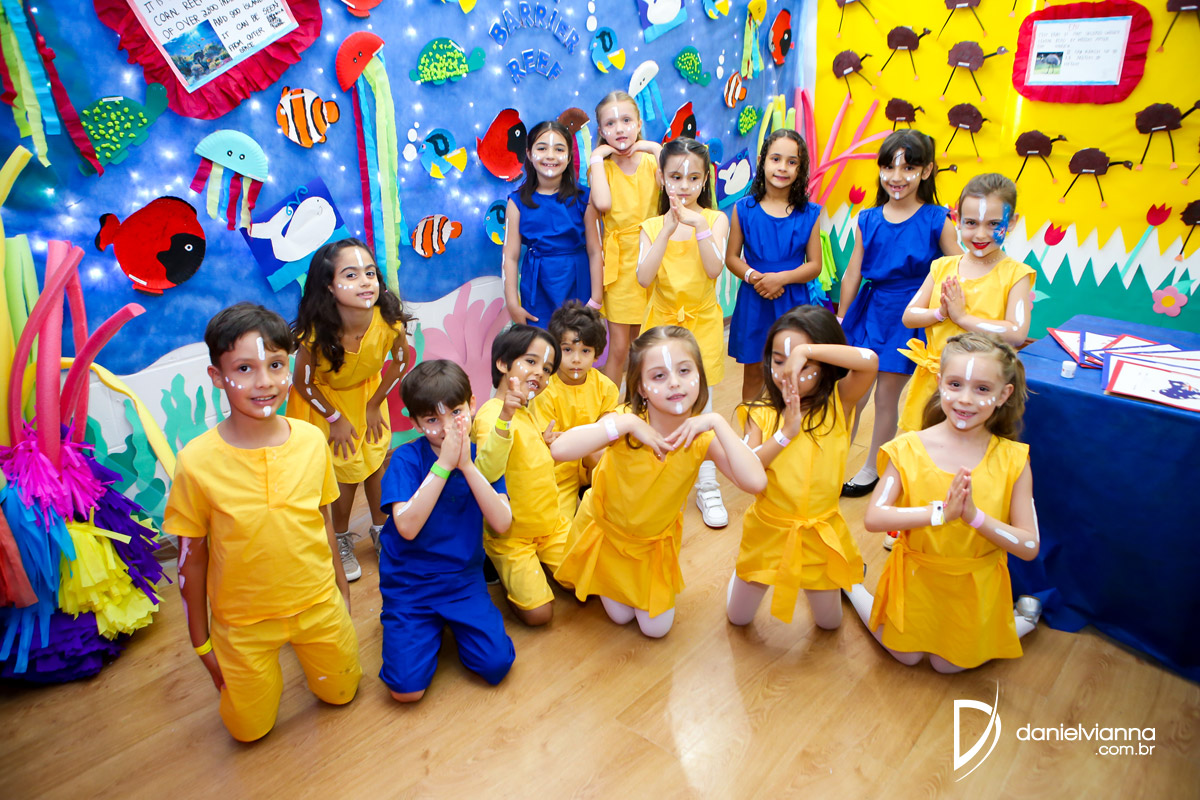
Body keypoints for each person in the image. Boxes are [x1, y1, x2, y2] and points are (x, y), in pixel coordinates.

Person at [166, 303, 360, 742]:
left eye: (275, 364)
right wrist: (201, 643)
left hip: (317, 605)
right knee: (247, 731)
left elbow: (323, 521)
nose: (265, 382)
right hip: (243, 625)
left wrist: (341, 595)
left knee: (343, 694)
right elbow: (190, 561)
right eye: (244, 368)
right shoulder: (196, 463)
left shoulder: (311, 440)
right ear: (217, 376)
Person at [552, 326, 767, 638]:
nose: (674, 383)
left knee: (656, 629)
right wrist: (625, 423)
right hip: (609, 537)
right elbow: (559, 449)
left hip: (651, 548)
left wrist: (717, 422)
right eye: (659, 376)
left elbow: (756, 481)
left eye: (684, 371)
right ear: (640, 387)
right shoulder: (625, 421)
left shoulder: (702, 439)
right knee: (621, 617)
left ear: (700, 374)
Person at [845, 333, 1041, 673]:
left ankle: (1022, 621)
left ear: (1003, 394)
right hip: (917, 577)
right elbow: (874, 518)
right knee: (905, 655)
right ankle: (850, 585)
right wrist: (940, 514)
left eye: (982, 388)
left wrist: (974, 517)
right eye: (955, 384)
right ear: (939, 383)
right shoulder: (907, 448)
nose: (965, 399)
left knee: (948, 665)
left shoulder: (1014, 460)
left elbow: (1028, 546)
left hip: (974, 585)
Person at [727, 307, 876, 628]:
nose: (787, 372)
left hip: (819, 535)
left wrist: (806, 350)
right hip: (768, 532)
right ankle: (741, 573)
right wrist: (785, 433)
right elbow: (747, 472)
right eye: (778, 361)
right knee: (737, 619)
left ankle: (852, 587)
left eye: (803, 365)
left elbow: (870, 360)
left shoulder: (840, 402)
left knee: (830, 624)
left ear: (825, 367)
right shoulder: (759, 412)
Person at [377, 360, 515, 702]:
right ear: (415, 423)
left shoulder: (482, 458)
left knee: (496, 665)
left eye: (456, 412)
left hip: (461, 580)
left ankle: (443, 625)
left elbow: (502, 523)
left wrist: (466, 465)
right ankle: (417, 625)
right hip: (410, 583)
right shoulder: (405, 459)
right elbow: (407, 527)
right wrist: (443, 466)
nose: (447, 427)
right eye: (431, 420)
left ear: (472, 405)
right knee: (406, 692)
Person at [838, 131, 960, 497]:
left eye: (908, 168)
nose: (897, 176)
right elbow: (852, 273)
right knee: (851, 392)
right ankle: (831, 460)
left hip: (909, 315)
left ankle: (870, 468)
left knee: (885, 396)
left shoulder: (937, 219)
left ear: (927, 171)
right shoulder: (868, 219)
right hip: (870, 311)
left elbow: (958, 269)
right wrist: (841, 319)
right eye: (889, 167)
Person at [288, 238, 411, 580]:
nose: (365, 282)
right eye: (351, 275)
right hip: (326, 404)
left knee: (375, 460)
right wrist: (335, 418)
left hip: (368, 398)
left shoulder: (389, 323)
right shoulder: (315, 335)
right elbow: (304, 384)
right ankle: (340, 538)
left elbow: (400, 363)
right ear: (329, 285)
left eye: (370, 273)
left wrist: (375, 403)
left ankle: (382, 531)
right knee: (343, 471)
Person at [637, 137, 731, 528]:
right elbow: (644, 277)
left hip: (701, 326)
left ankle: (707, 484)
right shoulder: (651, 226)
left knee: (701, 406)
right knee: (659, 403)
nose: (684, 186)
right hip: (661, 329)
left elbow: (713, 269)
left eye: (694, 178)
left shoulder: (715, 220)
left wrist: (699, 227)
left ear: (705, 179)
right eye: (676, 177)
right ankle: (662, 481)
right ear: (661, 178)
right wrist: (666, 231)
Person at [897, 173, 1034, 438]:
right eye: (971, 223)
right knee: (918, 450)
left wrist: (962, 318)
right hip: (932, 384)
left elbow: (1017, 333)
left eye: (993, 224)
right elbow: (909, 316)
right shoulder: (942, 267)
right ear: (957, 220)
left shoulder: (1016, 275)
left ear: (1012, 222)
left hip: (979, 392)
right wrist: (940, 313)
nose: (980, 233)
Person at [472, 325, 569, 627]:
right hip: (513, 537)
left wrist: (543, 442)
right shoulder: (492, 414)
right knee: (539, 615)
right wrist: (504, 418)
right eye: (531, 361)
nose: (540, 372)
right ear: (503, 364)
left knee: (587, 583)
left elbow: (524, 458)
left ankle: (539, 564)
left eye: (547, 369)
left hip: (550, 524)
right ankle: (501, 569)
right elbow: (486, 471)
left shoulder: (527, 409)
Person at [726, 129, 825, 403]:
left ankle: (789, 424)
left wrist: (780, 279)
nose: (783, 167)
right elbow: (732, 257)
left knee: (794, 371)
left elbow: (815, 265)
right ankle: (750, 427)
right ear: (762, 161)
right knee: (754, 373)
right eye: (776, 159)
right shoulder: (743, 208)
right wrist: (755, 277)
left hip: (793, 300)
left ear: (800, 169)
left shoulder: (810, 213)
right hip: (755, 298)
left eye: (792, 162)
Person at [588, 90, 662, 385]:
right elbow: (603, 203)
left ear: (639, 123)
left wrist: (654, 147)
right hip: (620, 269)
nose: (619, 129)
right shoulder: (602, 168)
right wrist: (596, 156)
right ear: (601, 131)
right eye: (610, 123)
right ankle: (610, 407)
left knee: (647, 345)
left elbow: (671, 187)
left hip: (653, 259)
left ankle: (642, 402)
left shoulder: (652, 162)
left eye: (627, 120)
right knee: (619, 347)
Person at [504, 120, 602, 327]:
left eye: (559, 149)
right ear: (529, 154)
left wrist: (596, 299)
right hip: (537, 287)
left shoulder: (586, 198)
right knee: (540, 342)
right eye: (542, 148)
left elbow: (595, 251)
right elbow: (510, 257)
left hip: (577, 282)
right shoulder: (516, 203)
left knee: (575, 342)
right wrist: (512, 304)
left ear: (569, 157)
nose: (550, 155)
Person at [530, 300, 620, 520]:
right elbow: (547, 444)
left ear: (597, 354)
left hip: (594, 462)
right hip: (560, 469)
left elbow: (609, 430)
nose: (576, 359)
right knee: (554, 521)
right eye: (567, 350)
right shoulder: (545, 390)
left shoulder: (605, 387)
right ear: (555, 352)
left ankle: (600, 498)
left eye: (585, 351)